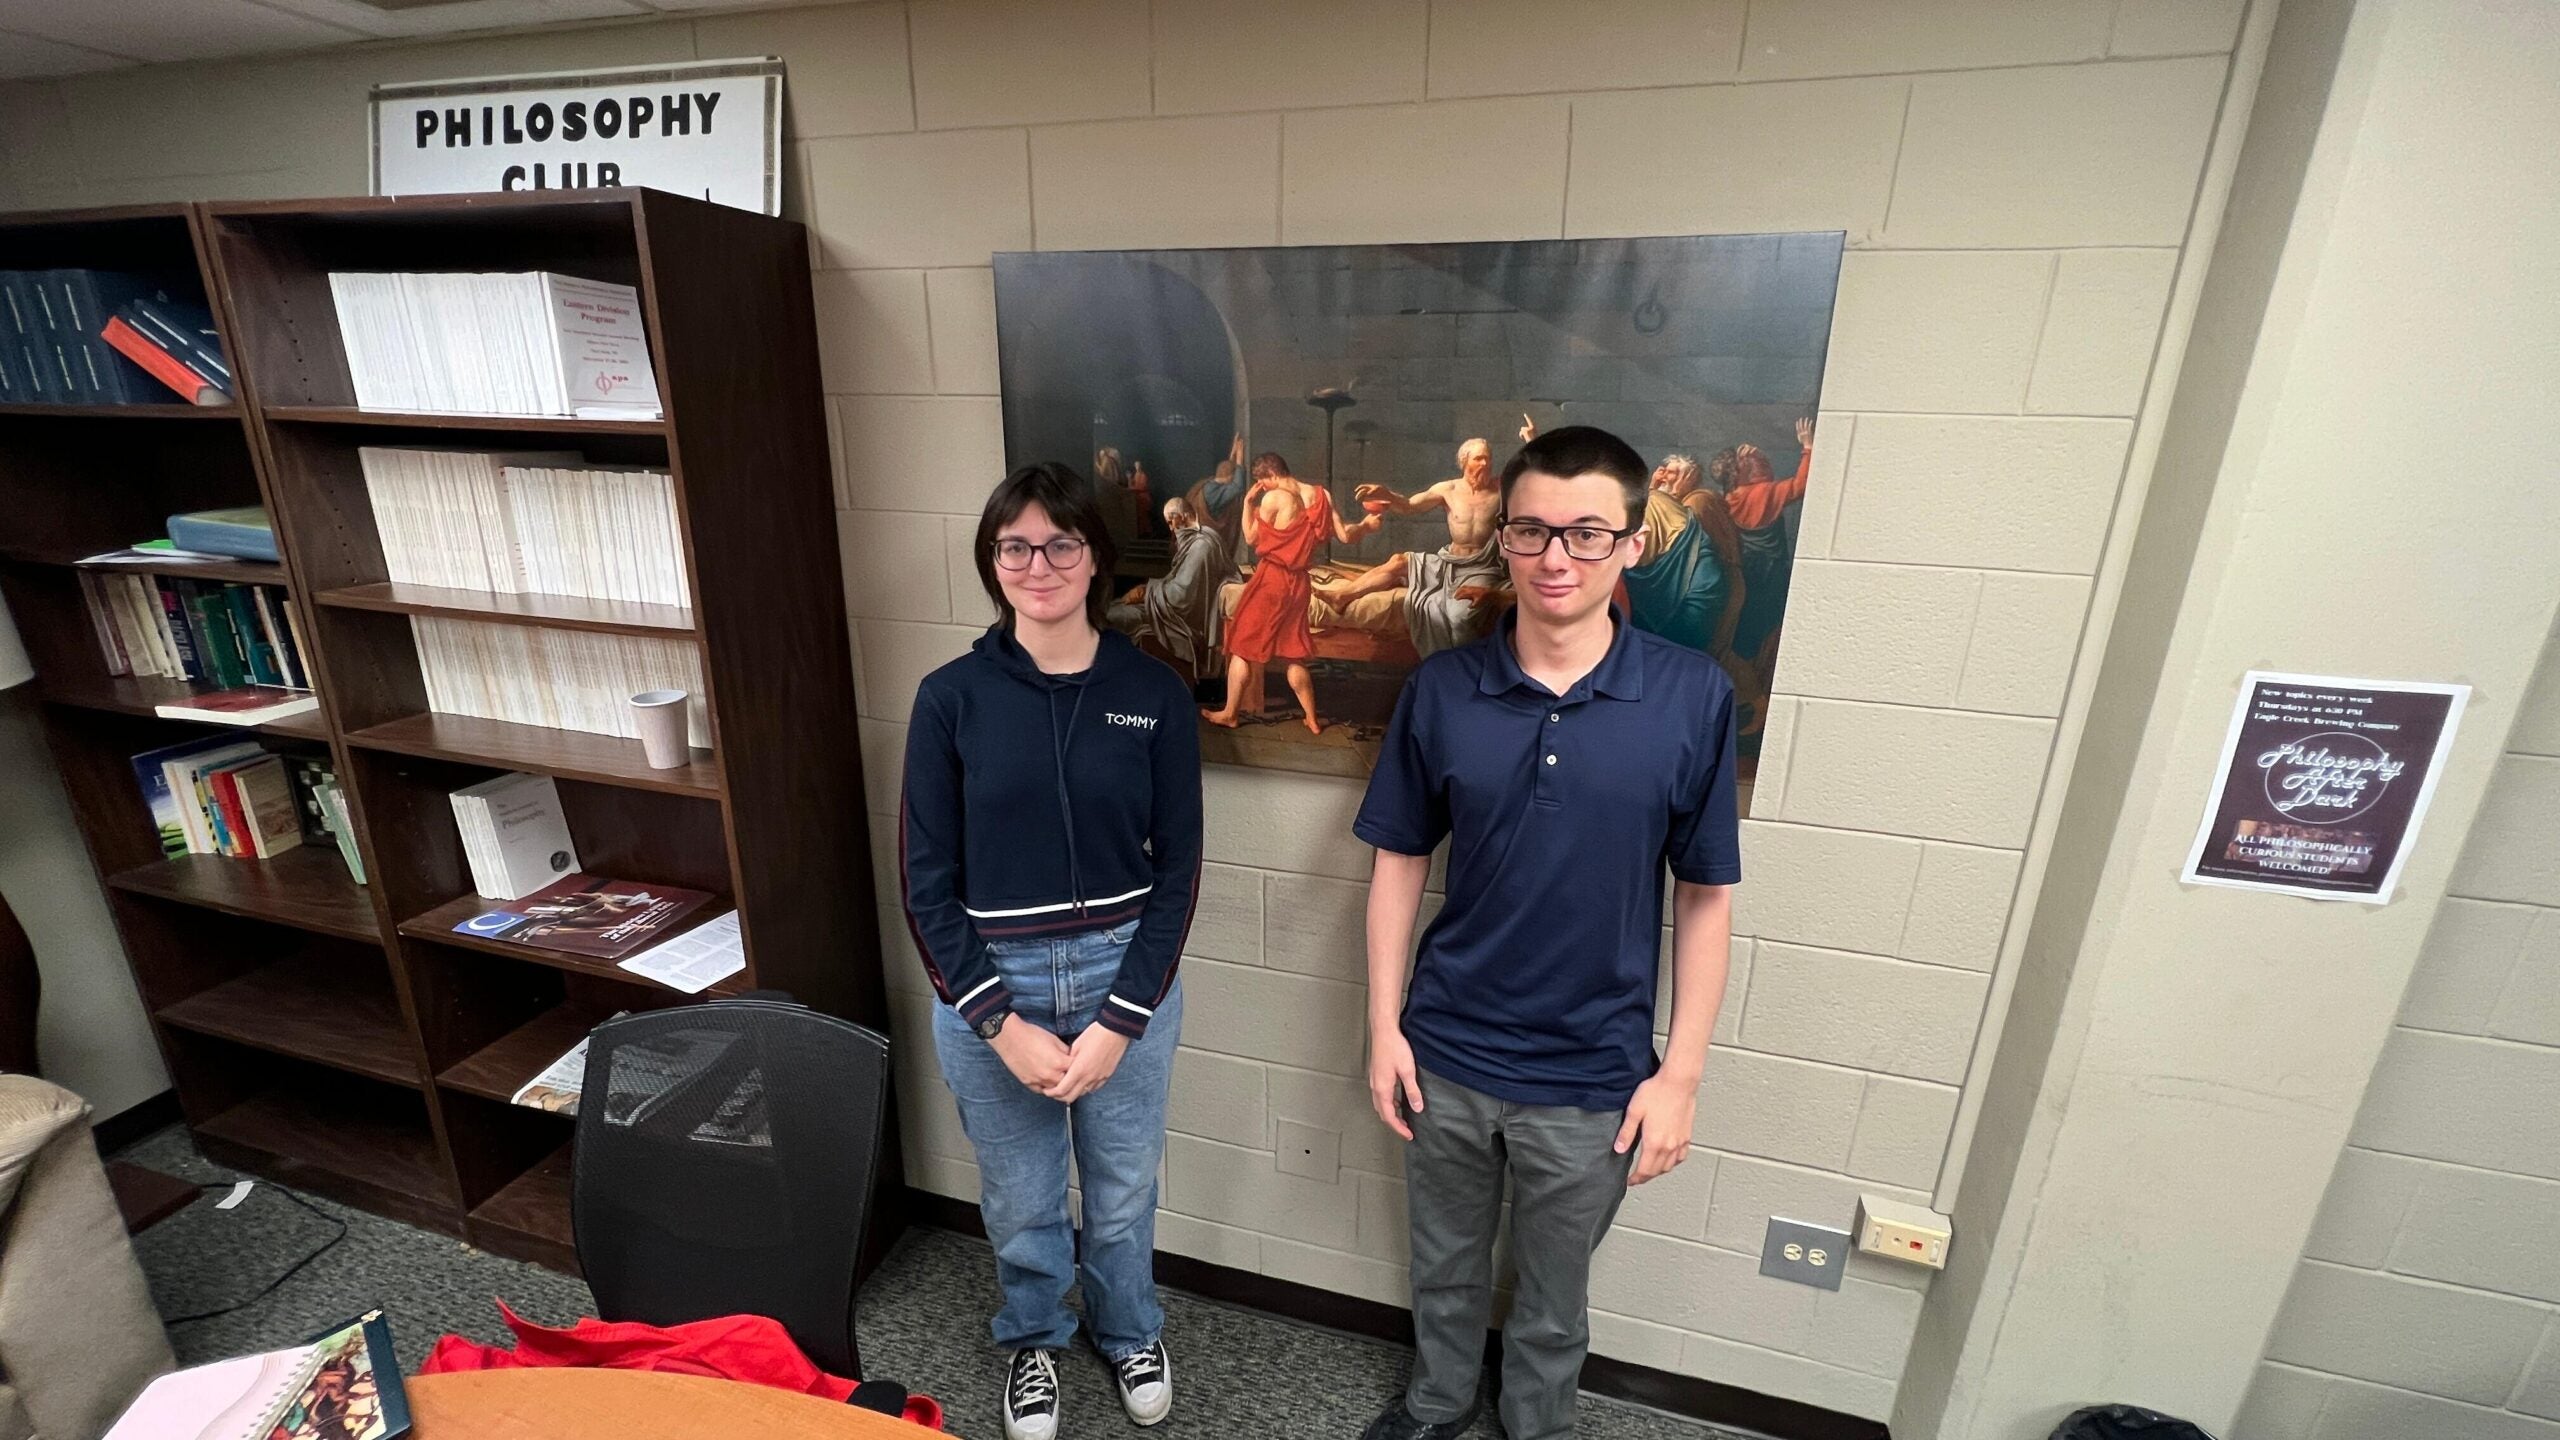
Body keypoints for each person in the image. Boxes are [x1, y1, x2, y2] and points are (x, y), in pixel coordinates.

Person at [1352, 425, 1740, 1440]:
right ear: (1505, 540)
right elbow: (1398, 862)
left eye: (1585, 532)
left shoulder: (1692, 696)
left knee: (1554, 1295)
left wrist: (1681, 1077)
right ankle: (1437, 1405)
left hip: (1592, 1071)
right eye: (1531, 531)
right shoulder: (1443, 690)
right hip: (1445, 1052)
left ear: (1631, 544)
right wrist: (1384, 1027)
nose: (1555, 557)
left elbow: (1705, 894)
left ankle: (1536, 1425)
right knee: (1442, 1266)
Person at [902, 462, 1204, 1440]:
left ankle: (1128, 1330)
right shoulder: (950, 698)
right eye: (1015, 547)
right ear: (992, 563)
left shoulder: (1152, 693)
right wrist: (997, 1022)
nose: (1039, 566)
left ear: (1096, 558)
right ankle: (1033, 1337)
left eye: (1060, 544)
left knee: (1121, 1191)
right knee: (1023, 1198)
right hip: (997, 979)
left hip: (1124, 969)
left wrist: (1121, 1020)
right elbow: (925, 885)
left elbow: (1180, 872)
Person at [1202, 451, 1365, 734]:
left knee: (1241, 647)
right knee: (1293, 655)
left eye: (1262, 482)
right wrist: (1367, 525)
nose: (1261, 487)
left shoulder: (1273, 498)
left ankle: (1230, 713)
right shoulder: (1320, 495)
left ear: (1271, 474)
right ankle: (1312, 719)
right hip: (1299, 585)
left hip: (1272, 580)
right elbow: (1346, 535)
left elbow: (1251, 537)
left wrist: (1247, 503)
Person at [1320, 437, 1509, 656]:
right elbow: (1410, 506)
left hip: (1481, 568)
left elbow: (1536, 478)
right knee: (1399, 561)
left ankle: (1457, 665)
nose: (1485, 463)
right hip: (1449, 562)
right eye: (1479, 458)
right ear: (1465, 461)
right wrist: (1386, 494)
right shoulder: (1448, 489)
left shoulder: (1502, 487)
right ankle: (1342, 596)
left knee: (1460, 617)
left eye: (1488, 459)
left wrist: (1532, 440)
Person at [1108, 494, 1237, 678]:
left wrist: (1146, 592)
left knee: (1114, 616)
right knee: (1115, 607)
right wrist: (1149, 591)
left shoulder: (1201, 547)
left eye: (1170, 522)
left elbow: (1181, 597)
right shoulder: (1204, 536)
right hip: (1168, 608)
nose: (1170, 528)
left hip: (1179, 618)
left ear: (1182, 517)